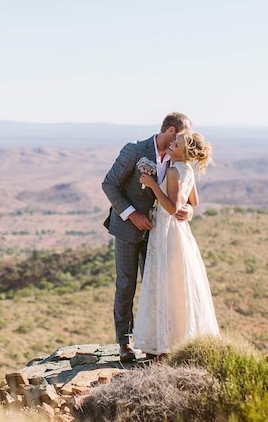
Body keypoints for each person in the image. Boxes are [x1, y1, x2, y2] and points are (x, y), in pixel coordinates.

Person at [101, 112, 196, 363]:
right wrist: (132, 215)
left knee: (158, 286)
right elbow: (109, 184)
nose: (187, 141)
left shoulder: (178, 161)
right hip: (128, 230)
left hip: (160, 235)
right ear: (172, 132)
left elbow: (183, 197)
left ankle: (156, 343)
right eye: (183, 135)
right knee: (126, 285)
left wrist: (188, 210)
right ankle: (125, 343)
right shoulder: (135, 151)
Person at [134, 129, 220, 360]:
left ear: (186, 151)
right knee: (177, 284)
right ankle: (176, 340)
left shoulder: (173, 171)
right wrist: (190, 210)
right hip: (179, 232)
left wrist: (152, 185)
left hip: (167, 231)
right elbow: (194, 201)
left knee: (165, 283)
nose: (172, 143)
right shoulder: (187, 169)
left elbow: (172, 208)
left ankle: (166, 344)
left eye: (177, 142)